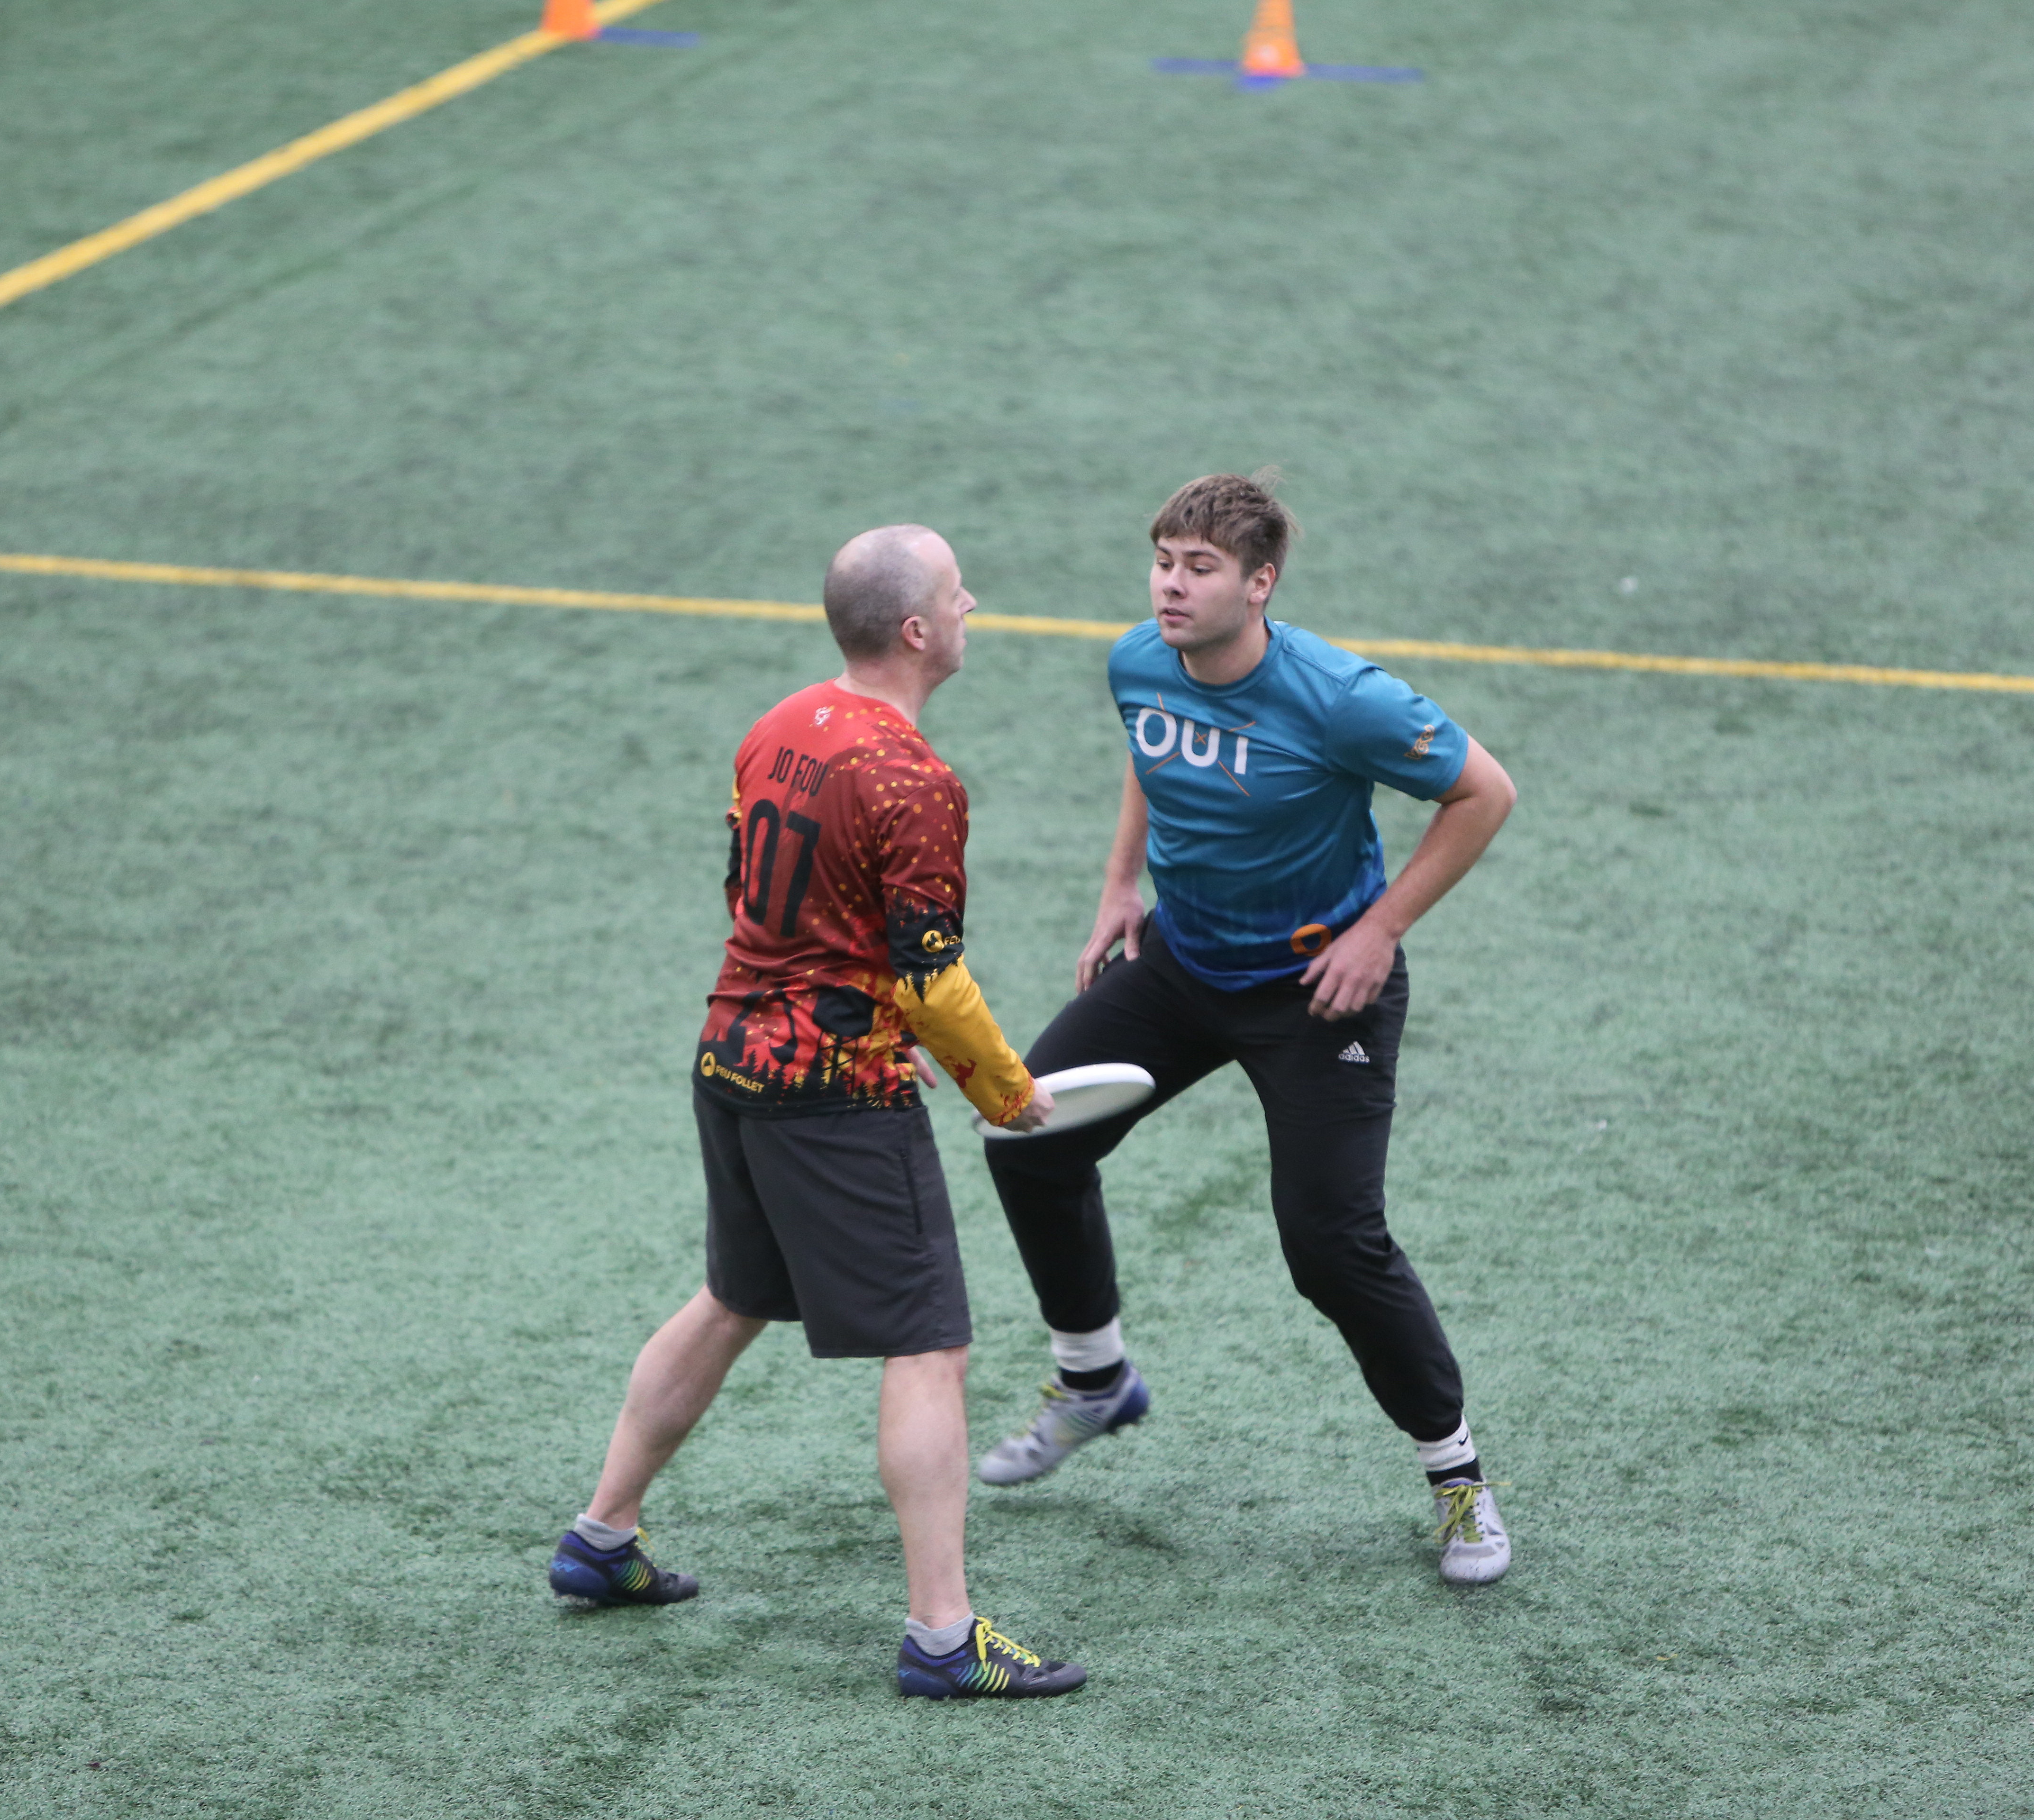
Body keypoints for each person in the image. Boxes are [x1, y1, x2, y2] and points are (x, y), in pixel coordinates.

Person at [548, 524, 1086, 1697]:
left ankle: (601, 1536)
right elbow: (930, 980)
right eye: (958, 595)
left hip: (731, 1056)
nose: (972, 607)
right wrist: (1006, 1089)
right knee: (929, 1346)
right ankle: (942, 1637)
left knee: (733, 1299)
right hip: (835, 1096)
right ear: (917, 630)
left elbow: (754, 894)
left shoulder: (777, 726)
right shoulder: (915, 781)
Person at [975, 473, 1521, 1584]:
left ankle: (1457, 1478)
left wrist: (1379, 931)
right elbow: (1153, 752)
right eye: (1163, 563)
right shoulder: (1139, 661)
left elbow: (1485, 794)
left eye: (1200, 568)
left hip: (1319, 991)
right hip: (1183, 964)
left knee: (1332, 1247)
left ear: (1260, 584)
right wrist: (1119, 885)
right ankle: (1094, 1380)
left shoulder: (1341, 698)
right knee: (1027, 1130)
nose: (1171, 588)